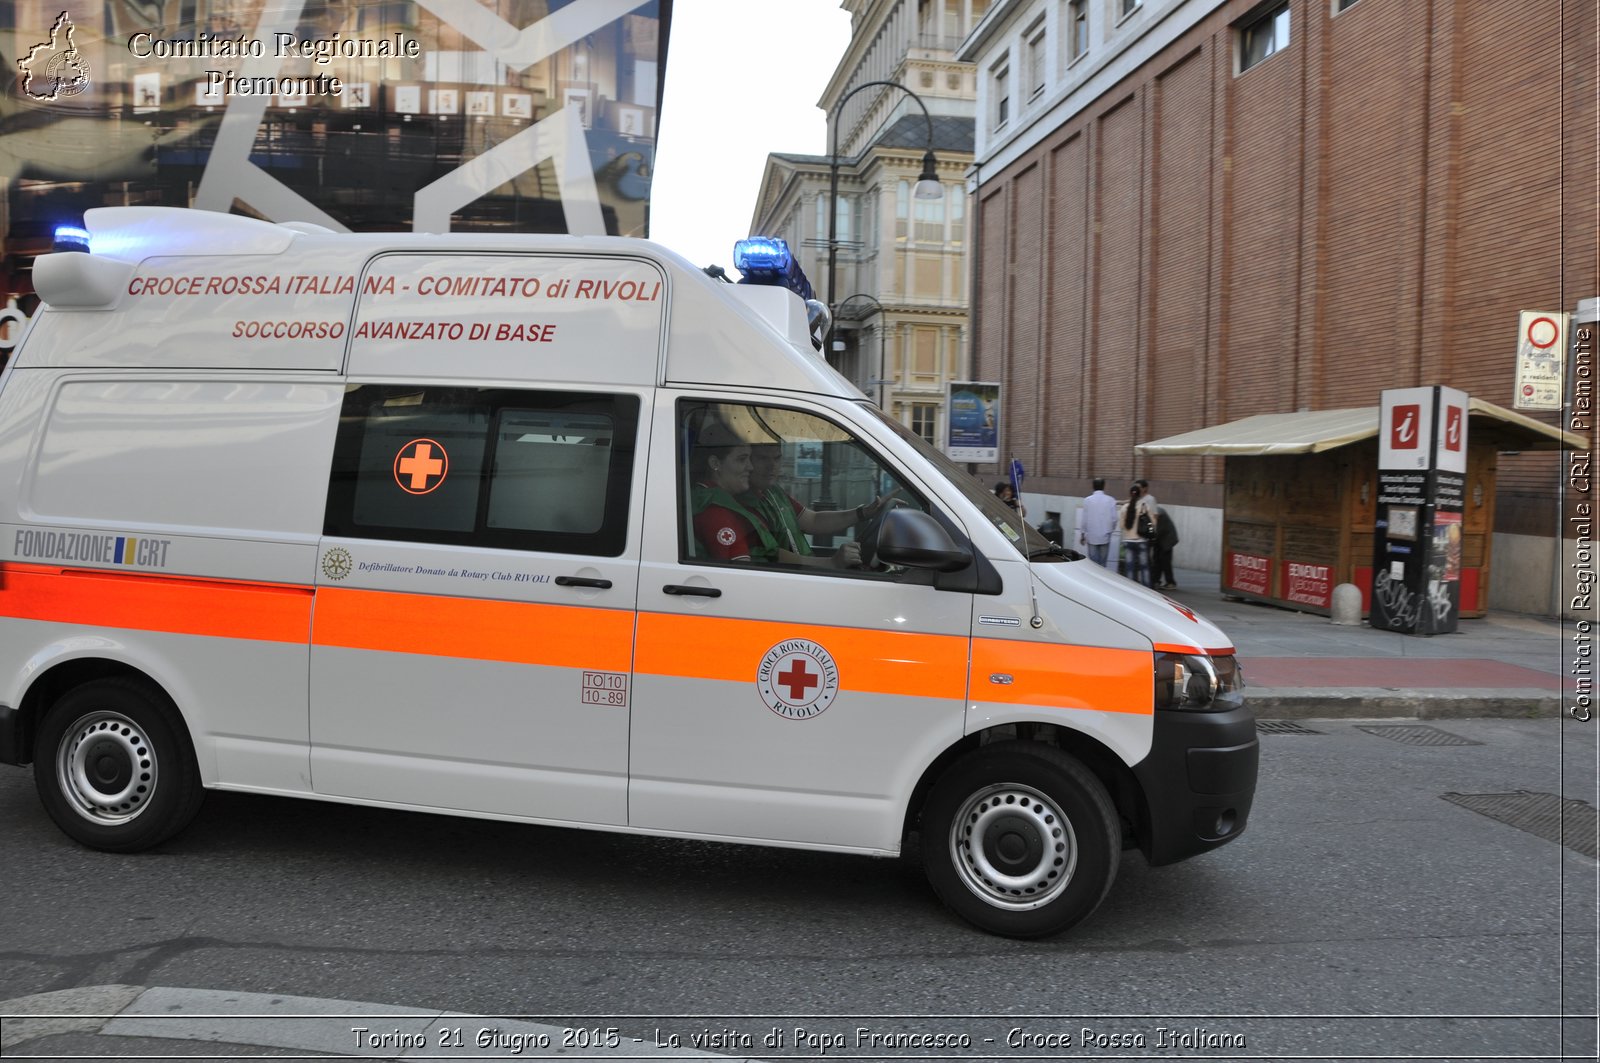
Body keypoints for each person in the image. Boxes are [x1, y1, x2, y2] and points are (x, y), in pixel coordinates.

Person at [744, 443, 884, 569]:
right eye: (762, 458)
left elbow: (813, 520)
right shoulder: (743, 503)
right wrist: (832, 563)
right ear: (747, 461)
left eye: (777, 458)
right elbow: (773, 555)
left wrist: (863, 513)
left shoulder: (773, 492)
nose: (771, 466)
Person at [690, 422, 778, 563]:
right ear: (715, 463)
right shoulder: (715, 511)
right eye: (742, 459)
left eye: (749, 459)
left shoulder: (707, 497)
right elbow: (742, 572)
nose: (750, 467)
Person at [1116, 483, 1155, 588]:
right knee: (1144, 567)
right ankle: (1147, 589)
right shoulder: (1144, 506)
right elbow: (1153, 521)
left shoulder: (1124, 508)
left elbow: (1122, 525)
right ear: (1140, 494)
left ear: (1130, 494)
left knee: (1130, 567)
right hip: (1141, 540)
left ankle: (1131, 589)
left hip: (1128, 541)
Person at [1078, 478, 1118, 570]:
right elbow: (1114, 519)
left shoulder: (1088, 500)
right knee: (1103, 564)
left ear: (1093, 486)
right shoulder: (1110, 500)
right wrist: (1110, 530)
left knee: (1093, 564)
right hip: (1105, 536)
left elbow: (1084, 519)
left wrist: (1082, 534)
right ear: (1104, 486)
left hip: (1092, 536)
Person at [1151, 507, 1180, 589]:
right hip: (1161, 539)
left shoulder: (1159, 514)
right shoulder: (1155, 511)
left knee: (1165, 561)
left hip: (1167, 540)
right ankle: (1156, 580)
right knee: (1157, 560)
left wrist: (1150, 540)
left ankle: (1170, 582)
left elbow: (1158, 531)